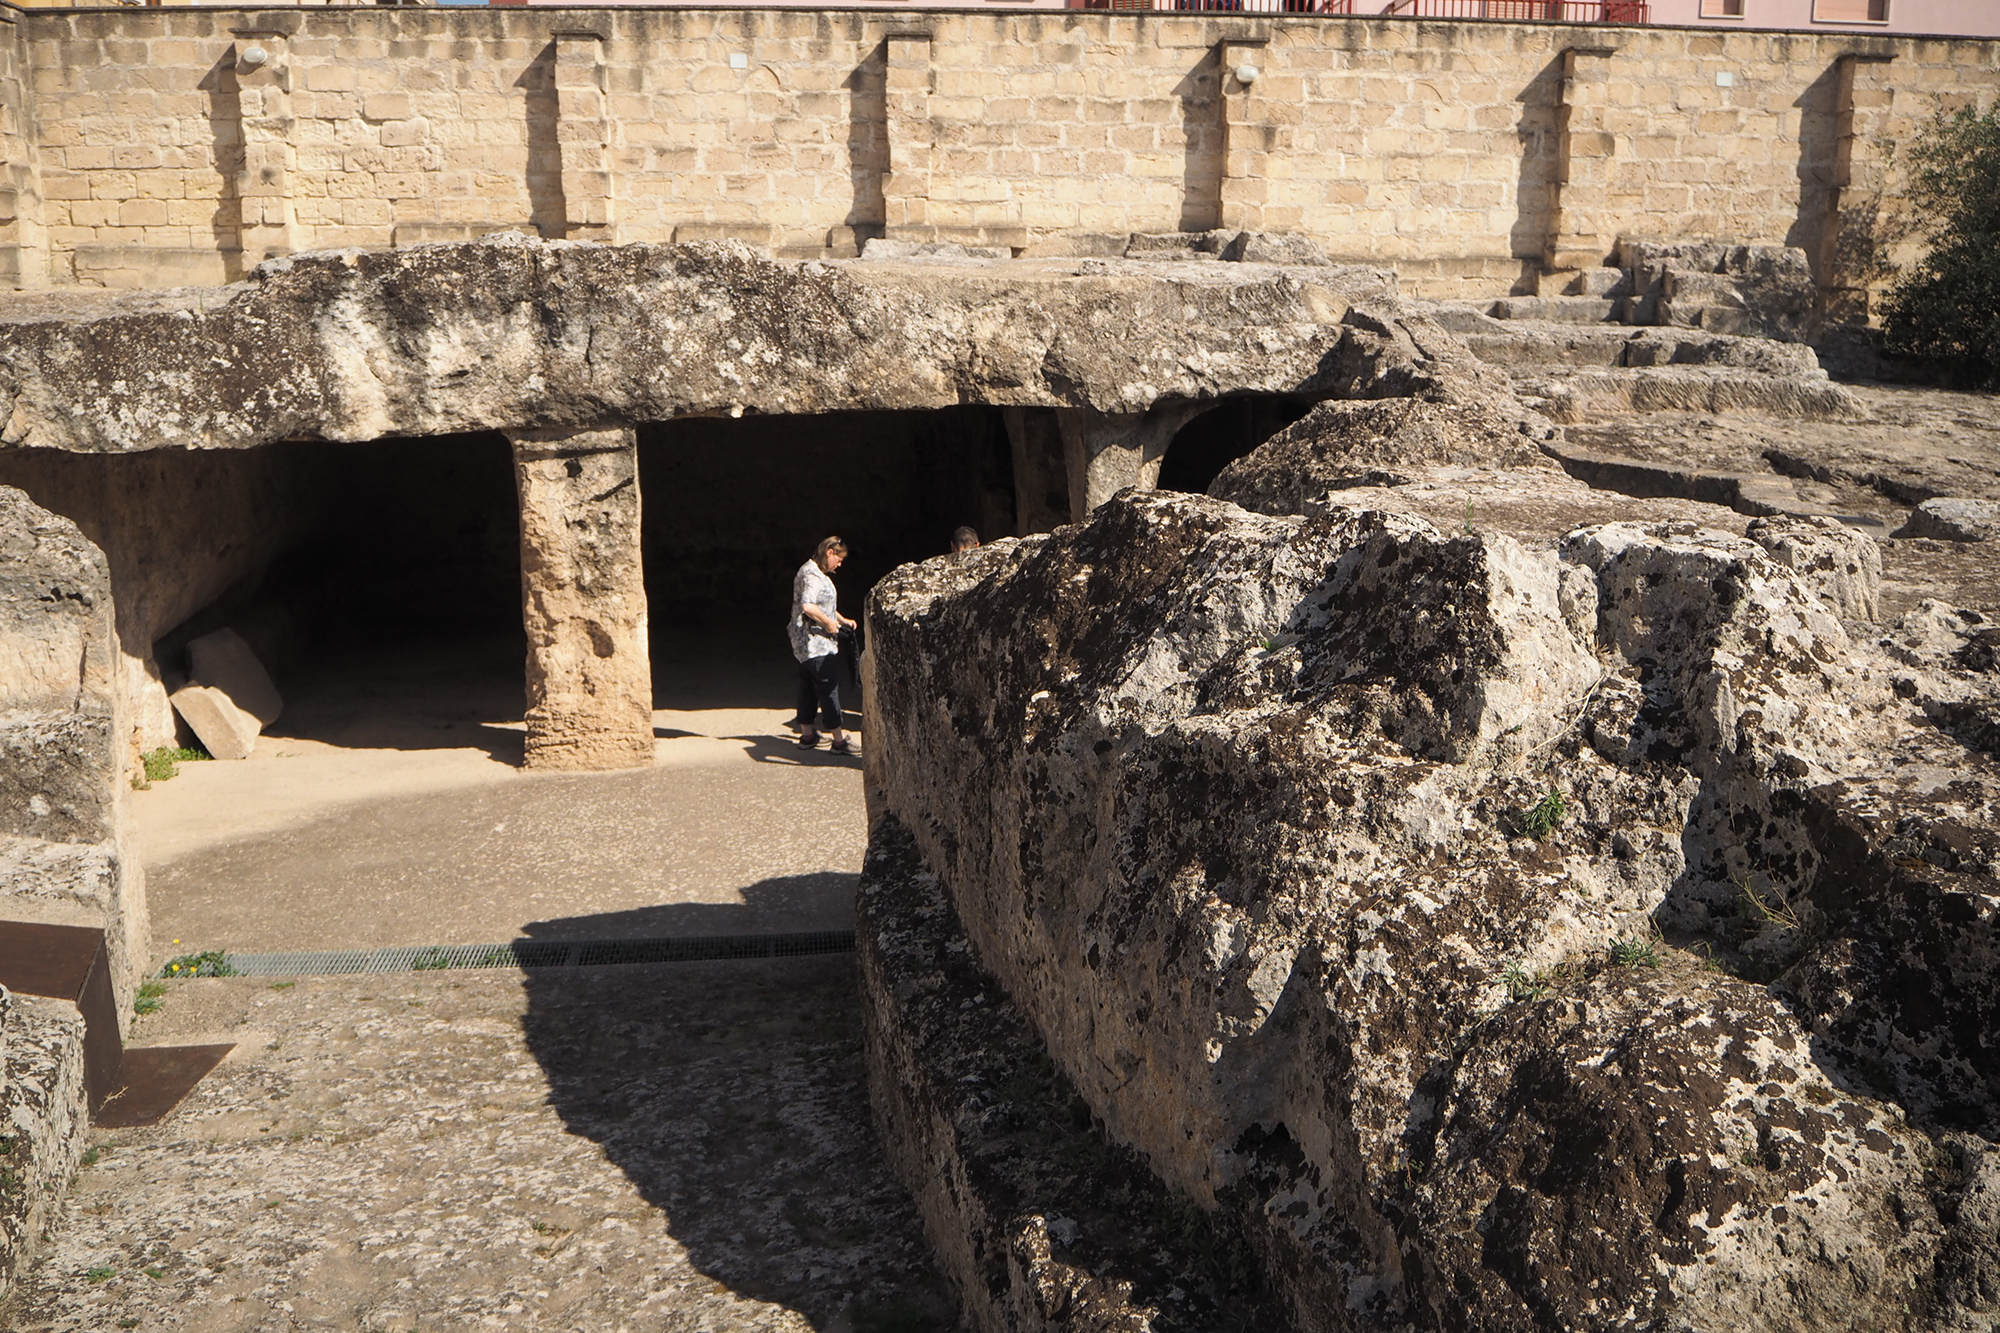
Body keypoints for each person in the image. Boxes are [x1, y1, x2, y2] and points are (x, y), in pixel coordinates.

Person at [788, 536, 857, 754]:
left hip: (804, 645)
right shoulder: (813, 575)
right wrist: (829, 624)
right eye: (839, 558)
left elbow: (821, 605)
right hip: (816, 644)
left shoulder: (812, 570)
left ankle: (807, 734)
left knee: (807, 688)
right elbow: (808, 606)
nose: (840, 563)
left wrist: (841, 620)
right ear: (829, 552)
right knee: (828, 689)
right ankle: (838, 740)